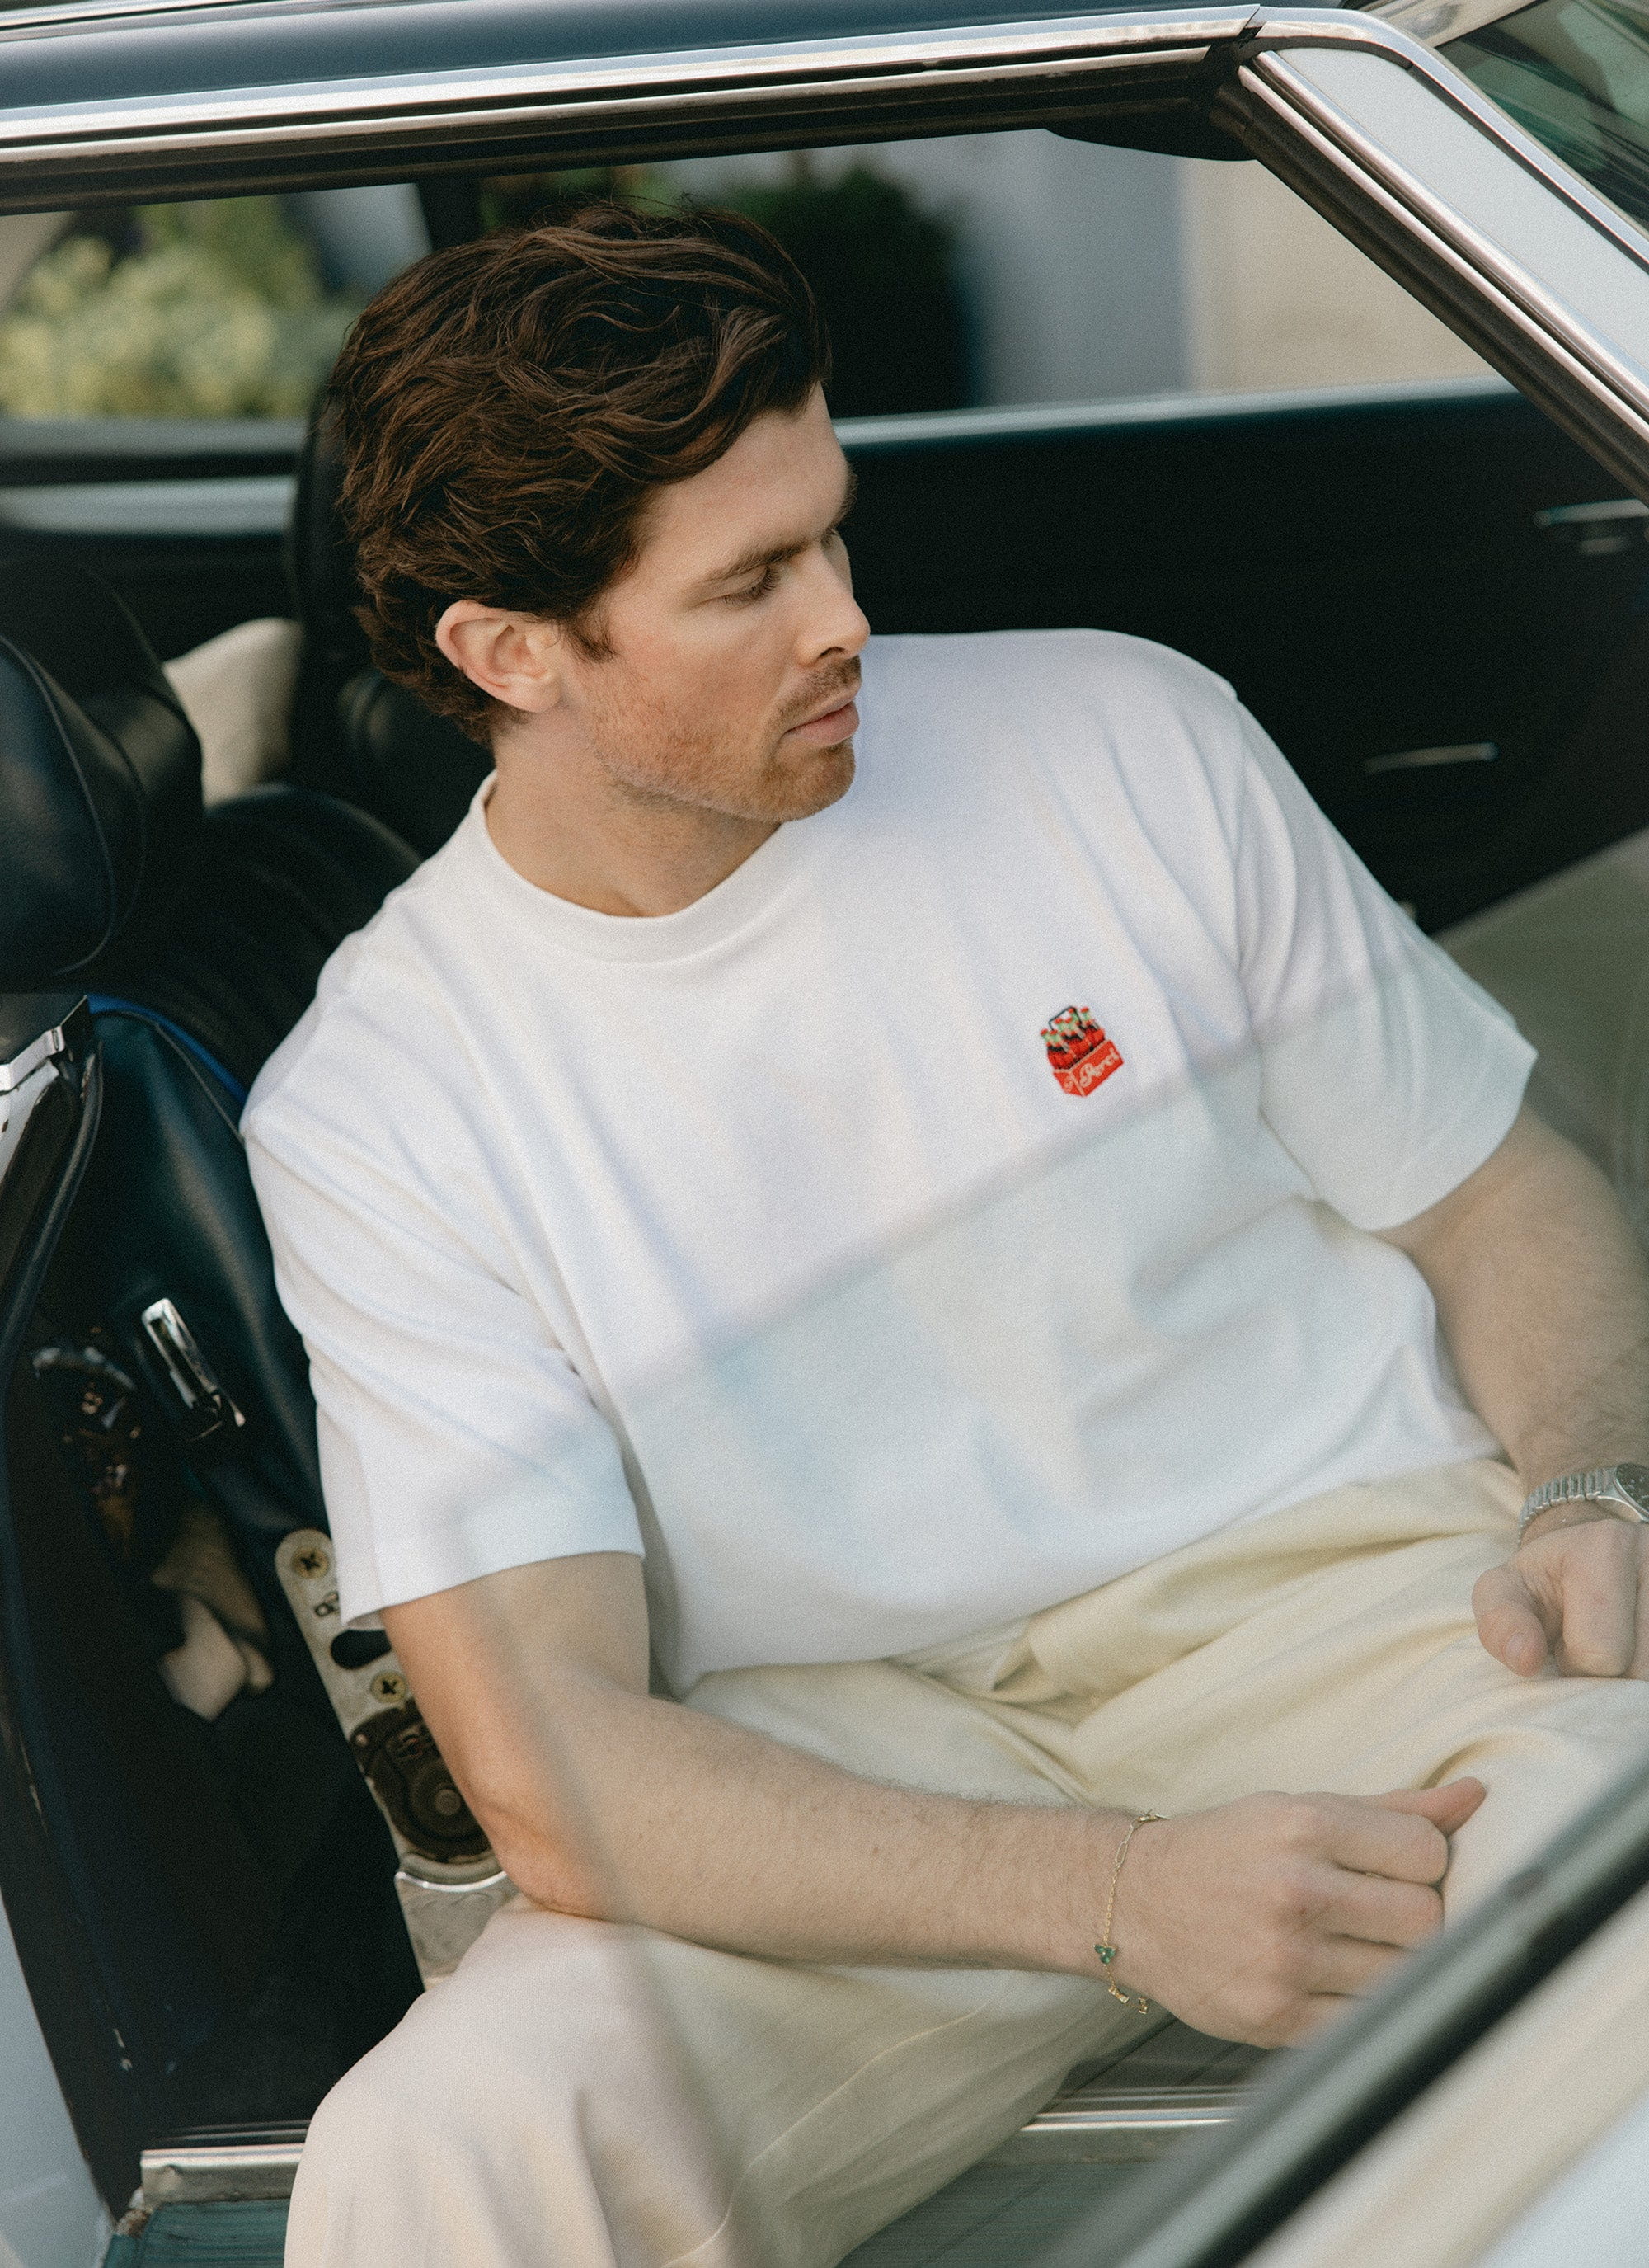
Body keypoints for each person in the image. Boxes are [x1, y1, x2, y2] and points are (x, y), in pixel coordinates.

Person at [247, 203, 1649, 2268]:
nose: (843, 620)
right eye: (748, 581)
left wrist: (1591, 1484)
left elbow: (1496, 1186)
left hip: (1354, 1610)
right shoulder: (380, 1100)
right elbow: (554, 1762)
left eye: (831, 532)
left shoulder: (1117, 737)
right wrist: (1113, 1887)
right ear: (509, 651)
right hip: (856, 1762)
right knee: (446, 2153)